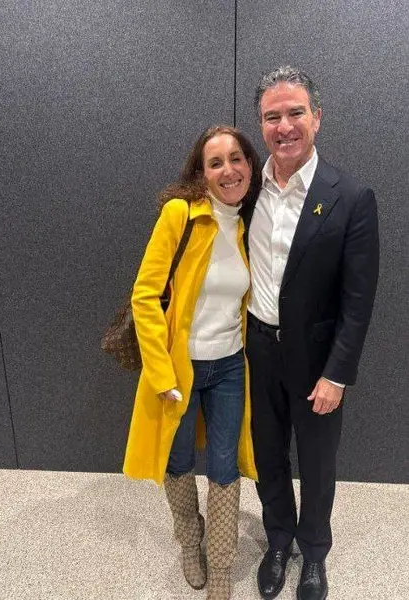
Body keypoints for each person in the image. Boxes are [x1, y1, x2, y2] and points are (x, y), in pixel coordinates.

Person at [241, 66, 379, 600]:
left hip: (317, 361)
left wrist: (337, 375)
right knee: (268, 454)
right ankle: (279, 540)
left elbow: (358, 300)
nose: (284, 126)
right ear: (261, 125)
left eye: (295, 112)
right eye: (271, 116)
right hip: (258, 349)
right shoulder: (245, 191)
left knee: (318, 464)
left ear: (317, 118)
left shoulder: (351, 196)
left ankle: (314, 552)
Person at [123, 125, 261, 600]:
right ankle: (189, 542)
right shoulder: (180, 215)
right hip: (180, 370)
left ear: (250, 166)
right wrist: (161, 374)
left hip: (229, 368)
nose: (228, 170)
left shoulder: (247, 225)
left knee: (225, 467)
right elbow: (144, 295)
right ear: (201, 174)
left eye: (236, 159)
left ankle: (220, 564)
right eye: (215, 162)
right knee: (178, 461)